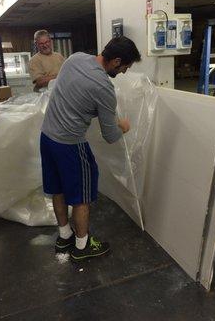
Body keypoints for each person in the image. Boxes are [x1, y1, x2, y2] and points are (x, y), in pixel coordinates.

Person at [40, 36, 141, 262]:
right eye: (125, 67)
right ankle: (82, 246)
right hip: (70, 145)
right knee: (81, 197)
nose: (124, 72)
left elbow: (71, 93)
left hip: (47, 137)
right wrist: (122, 126)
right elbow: (110, 136)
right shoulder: (104, 88)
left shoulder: (75, 59)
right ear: (116, 61)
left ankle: (64, 235)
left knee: (58, 189)